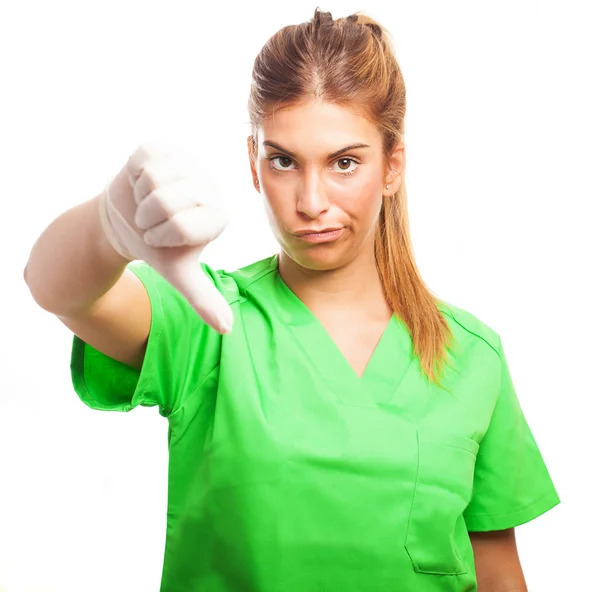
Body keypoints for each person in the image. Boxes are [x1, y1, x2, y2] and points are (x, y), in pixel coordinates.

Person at [24, 7, 560, 592]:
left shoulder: (472, 355)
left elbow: (500, 577)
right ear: (254, 165)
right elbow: (59, 289)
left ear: (392, 166)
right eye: (284, 160)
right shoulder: (209, 322)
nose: (311, 201)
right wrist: (108, 226)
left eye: (345, 163)